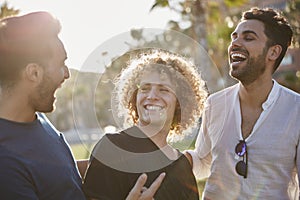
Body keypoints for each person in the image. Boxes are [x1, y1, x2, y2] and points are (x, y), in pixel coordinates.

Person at [0, 11, 163, 200]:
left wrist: (119, 162)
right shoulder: (5, 165)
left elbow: (57, 175)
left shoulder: (37, 119)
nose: (67, 74)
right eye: (61, 64)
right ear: (34, 73)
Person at [185, 7, 300, 199]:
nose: (235, 44)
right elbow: (204, 162)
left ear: (273, 52)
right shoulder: (215, 104)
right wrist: (170, 157)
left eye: (248, 38)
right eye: (234, 37)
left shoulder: (296, 111)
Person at [82, 49, 208, 199]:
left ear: (180, 102)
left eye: (163, 90)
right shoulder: (112, 148)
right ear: (134, 97)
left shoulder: (183, 166)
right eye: (145, 89)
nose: (152, 96)